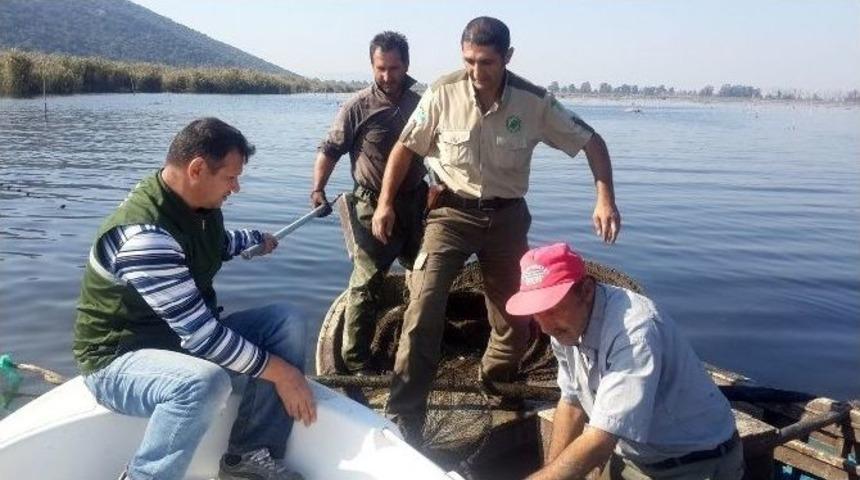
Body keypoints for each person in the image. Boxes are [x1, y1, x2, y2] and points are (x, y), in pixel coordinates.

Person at [370, 16, 621, 441]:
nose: (476, 71)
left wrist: (605, 198)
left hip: (506, 219)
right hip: (450, 214)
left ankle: (496, 383)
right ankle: (405, 413)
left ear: (507, 57)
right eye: (468, 60)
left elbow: (592, 142)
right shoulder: (443, 91)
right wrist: (384, 203)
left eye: (486, 62)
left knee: (514, 318)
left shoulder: (534, 102)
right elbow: (405, 148)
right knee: (423, 307)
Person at [72, 118, 316, 480]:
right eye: (230, 178)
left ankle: (248, 456)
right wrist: (284, 374)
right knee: (202, 384)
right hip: (117, 361)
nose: (237, 187)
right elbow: (202, 336)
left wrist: (254, 239)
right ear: (197, 169)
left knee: (288, 323)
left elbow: (210, 244)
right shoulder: (145, 236)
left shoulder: (194, 207)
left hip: (173, 344)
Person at [506, 243, 743, 480]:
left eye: (552, 308)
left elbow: (601, 438)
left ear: (587, 290)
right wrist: (551, 468)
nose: (545, 326)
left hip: (694, 463)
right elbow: (571, 403)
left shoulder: (635, 332)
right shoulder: (564, 327)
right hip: (633, 457)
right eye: (536, 311)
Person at [311, 31, 427, 375]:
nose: (387, 76)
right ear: (372, 66)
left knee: (423, 275)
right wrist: (318, 189)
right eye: (381, 68)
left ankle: (415, 344)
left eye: (394, 68)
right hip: (372, 205)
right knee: (367, 281)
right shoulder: (358, 105)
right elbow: (329, 150)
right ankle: (357, 360)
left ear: (406, 65)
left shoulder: (421, 104)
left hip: (416, 203)